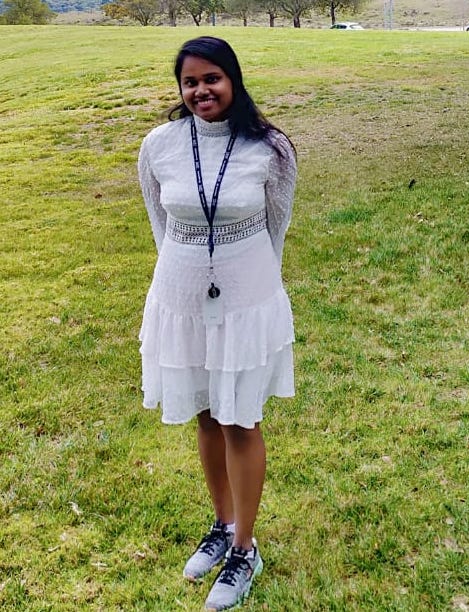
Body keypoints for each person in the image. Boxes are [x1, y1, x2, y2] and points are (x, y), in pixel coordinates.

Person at [137, 36, 296, 611]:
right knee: (207, 414)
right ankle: (223, 525)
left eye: (212, 78)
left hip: (246, 301)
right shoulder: (159, 145)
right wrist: (189, 272)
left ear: (233, 79)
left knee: (240, 420)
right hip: (180, 297)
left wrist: (246, 283)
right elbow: (160, 224)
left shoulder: (270, 147)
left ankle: (245, 550)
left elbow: (277, 228)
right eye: (190, 82)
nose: (201, 90)